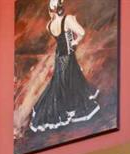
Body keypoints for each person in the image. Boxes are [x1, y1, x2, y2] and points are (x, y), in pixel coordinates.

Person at [29, 0, 100, 133]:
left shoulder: (49, 25)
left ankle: (68, 105)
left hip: (59, 56)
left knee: (63, 80)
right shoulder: (67, 19)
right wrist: (75, 41)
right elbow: (81, 32)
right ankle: (69, 108)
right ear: (60, 7)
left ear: (51, 10)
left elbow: (60, 39)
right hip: (67, 55)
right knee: (67, 80)